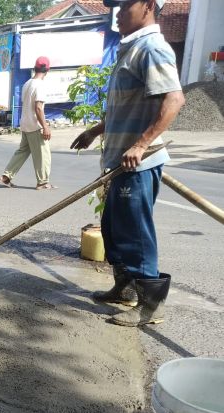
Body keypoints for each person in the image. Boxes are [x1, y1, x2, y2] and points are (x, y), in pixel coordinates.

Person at [71, 0, 184, 327]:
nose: (117, 12)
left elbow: (174, 99)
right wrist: (96, 130)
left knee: (135, 232)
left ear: (149, 5)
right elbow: (126, 105)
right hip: (122, 161)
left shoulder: (152, 48)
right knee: (113, 228)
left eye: (124, 5)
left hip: (139, 162)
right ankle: (125, 287)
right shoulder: (131, 49)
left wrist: (141, 143)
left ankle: (150, 305)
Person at [0, 56, 55, 190]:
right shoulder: (40, 85)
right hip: (35, 125)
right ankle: (42, 182)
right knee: (43, 154)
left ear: (35, 68)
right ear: (47, 70)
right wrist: (45, 127)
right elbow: (38, 108)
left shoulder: (27, 83)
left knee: (22, 151)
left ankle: (6, 176)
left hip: (25, 123)